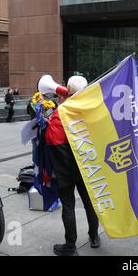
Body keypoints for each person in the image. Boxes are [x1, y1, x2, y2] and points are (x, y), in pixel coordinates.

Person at [45, 76, 100, 256]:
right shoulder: (91, 110)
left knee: (68, 205)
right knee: (89, 203)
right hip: (86, 168)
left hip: (66, 170)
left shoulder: (60, 115)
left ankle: (70, 245)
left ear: (68, 90)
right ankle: (94, 236)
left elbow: (51, 140)